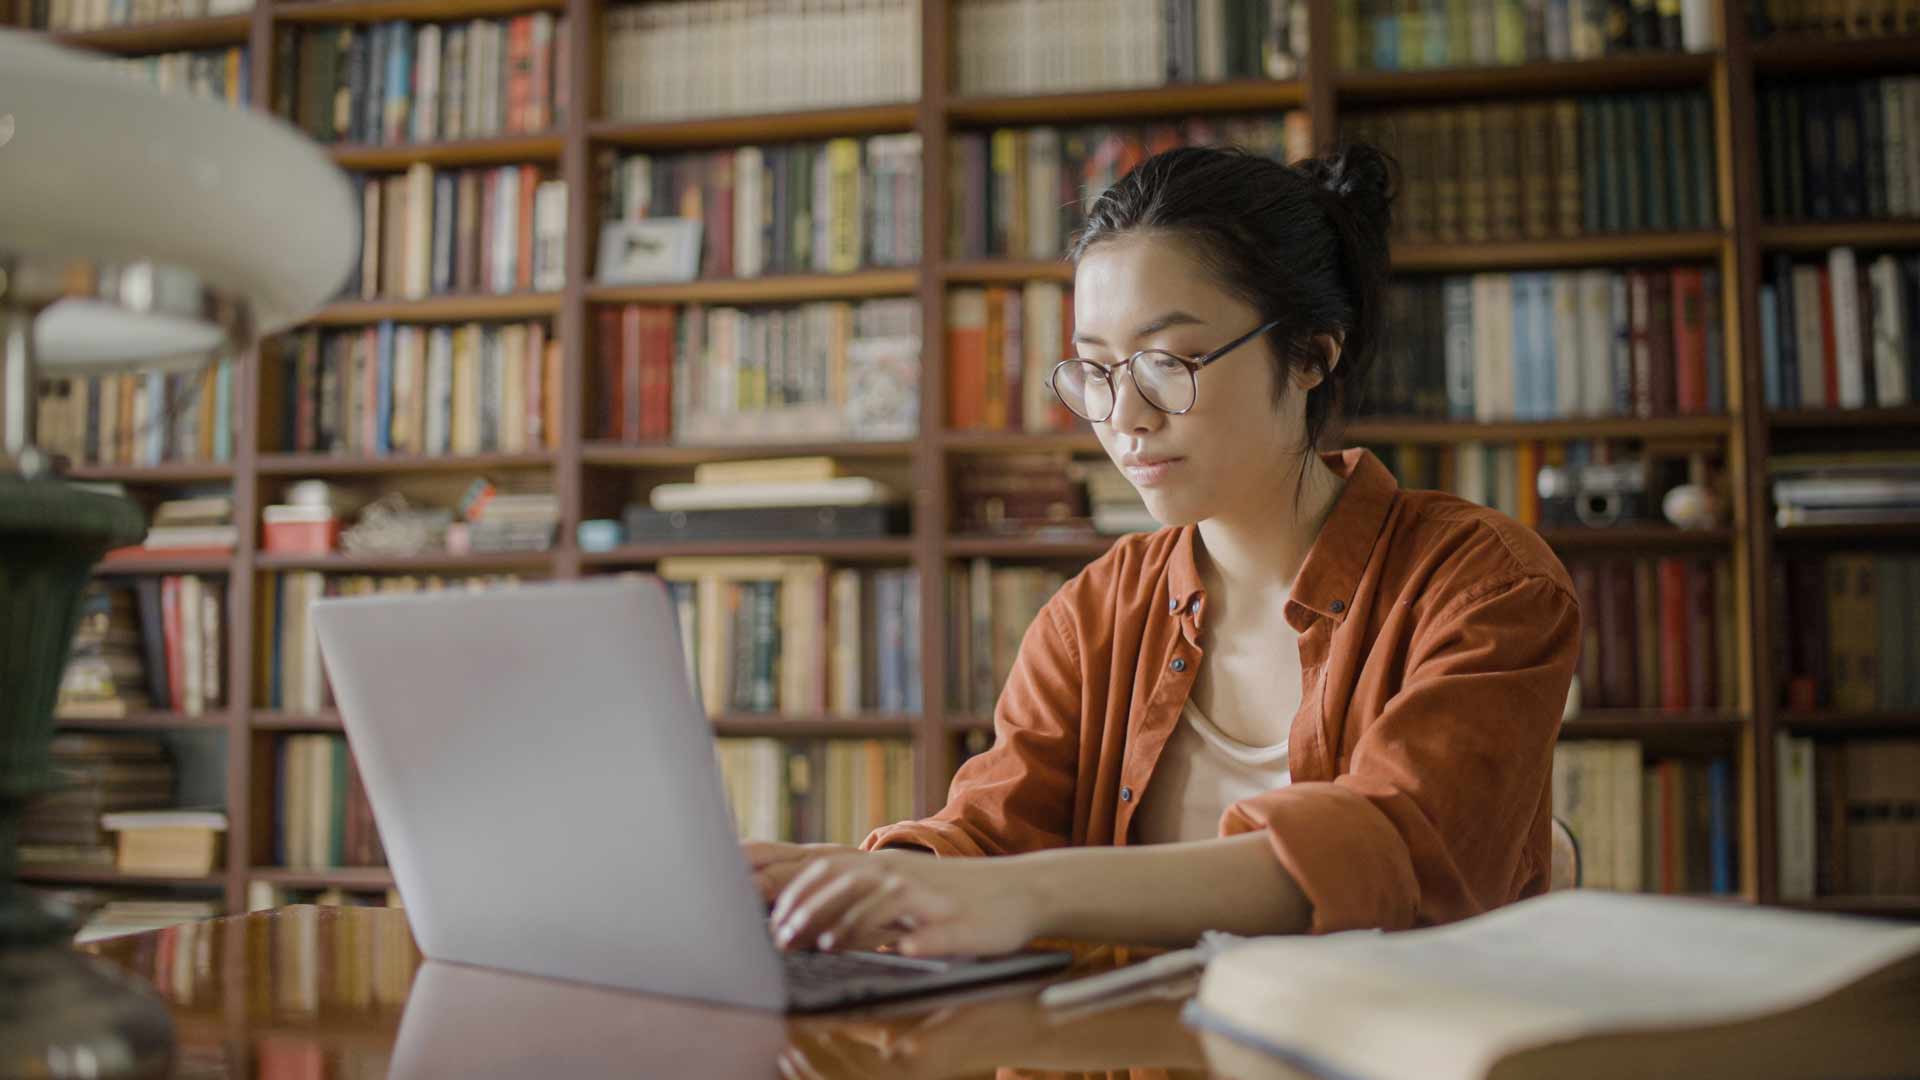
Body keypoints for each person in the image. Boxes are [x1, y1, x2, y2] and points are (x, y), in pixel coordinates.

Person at [747, 143, 1580, 958]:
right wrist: (867, 877)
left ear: (1310, 354)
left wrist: (1029, 892)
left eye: (1169, 362)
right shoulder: (1095, 612)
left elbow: (1396, 850)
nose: (1125, 417)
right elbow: (991, 832)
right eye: (1097, 369)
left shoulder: (1484, 586)